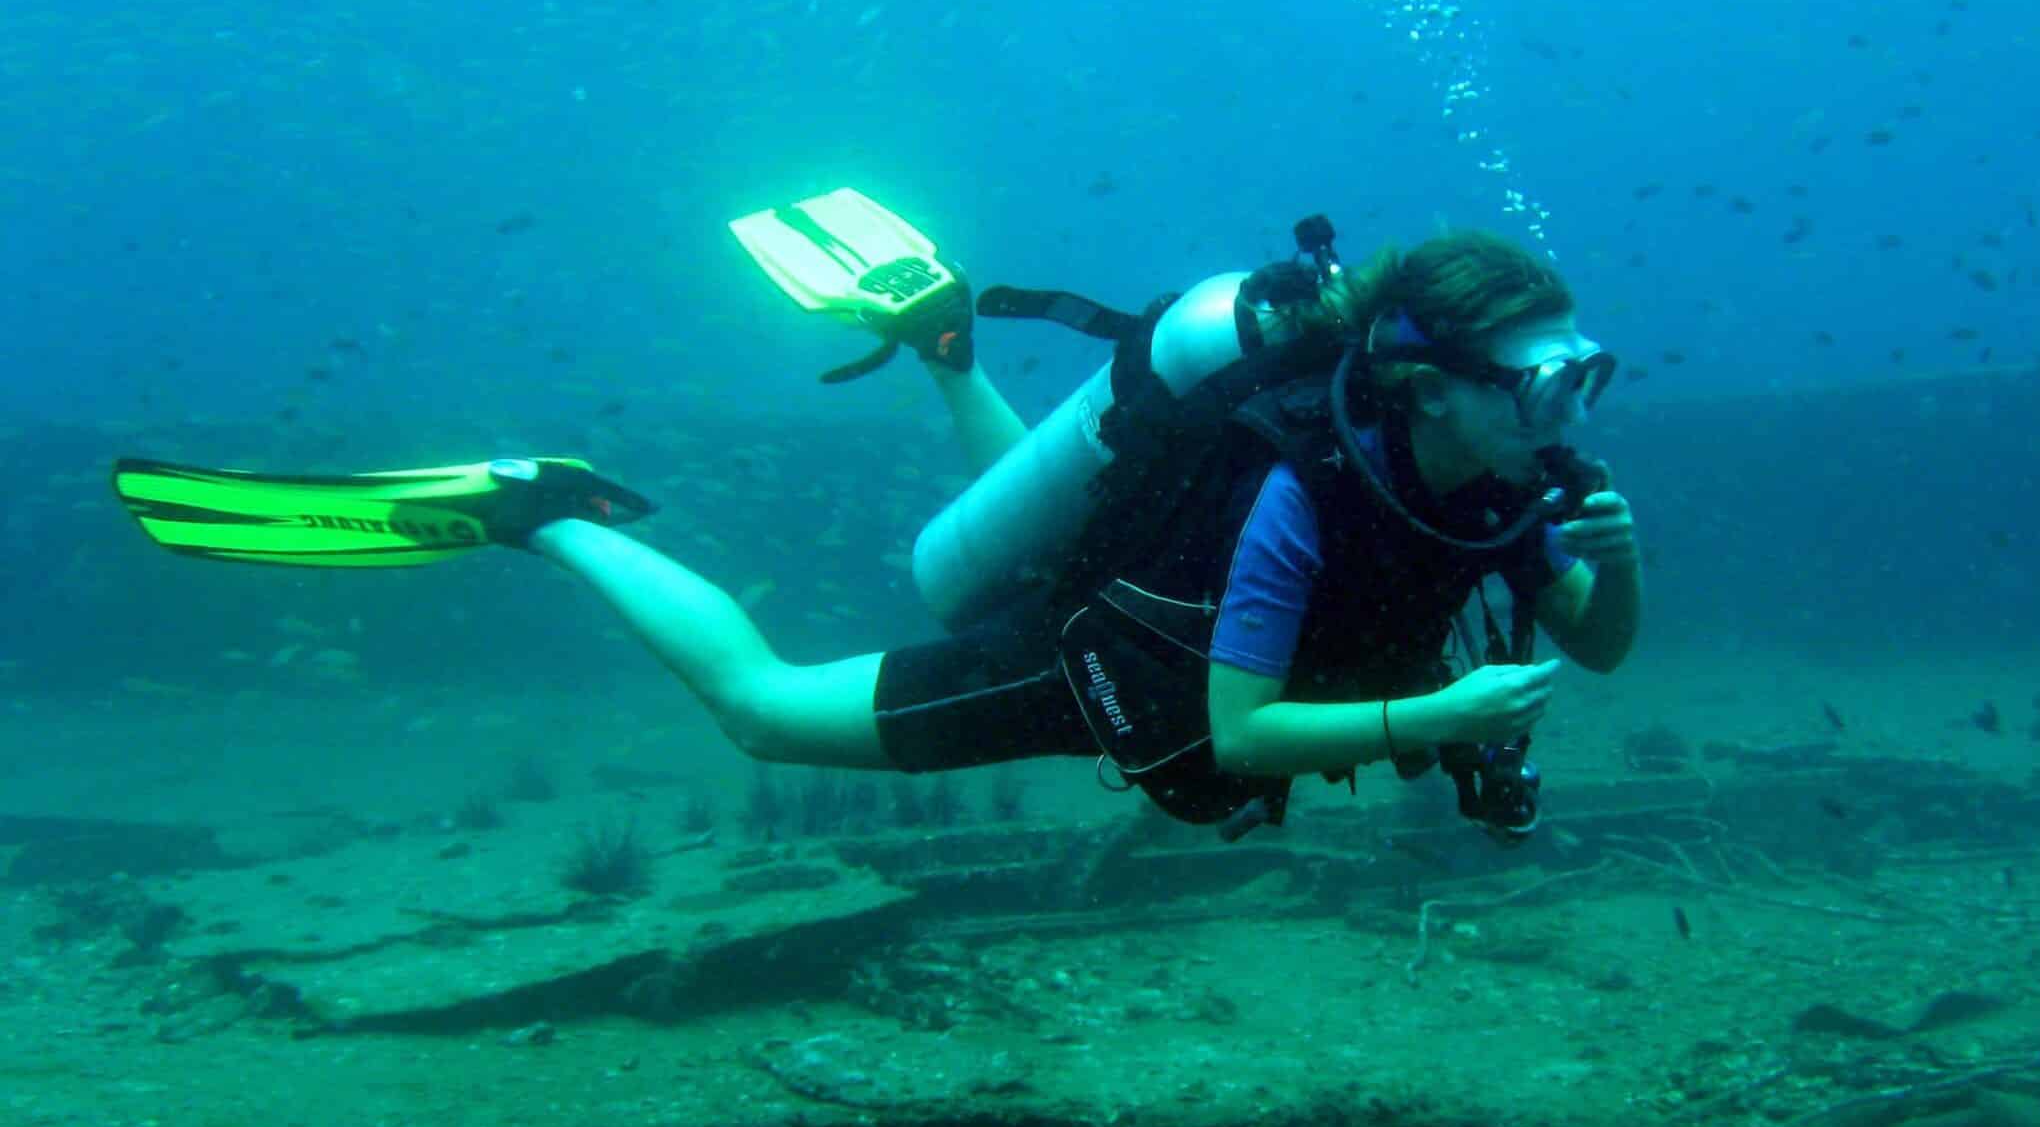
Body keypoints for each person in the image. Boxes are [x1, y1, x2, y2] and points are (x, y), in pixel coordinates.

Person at [113, 227, 1640, 837]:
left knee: (1066, 517)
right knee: (765, 711)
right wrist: (1437, 712)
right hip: (1109, 669)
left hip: (1137, 582)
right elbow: (1239, 737)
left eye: (1585, 372)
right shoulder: (1311, 493)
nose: (1569, 404)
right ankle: (550, 509)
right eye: (1540, 378)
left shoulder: (1505, 478)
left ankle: (946, 349)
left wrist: (1611, 567)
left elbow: (1599, 639)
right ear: (1426, 387)